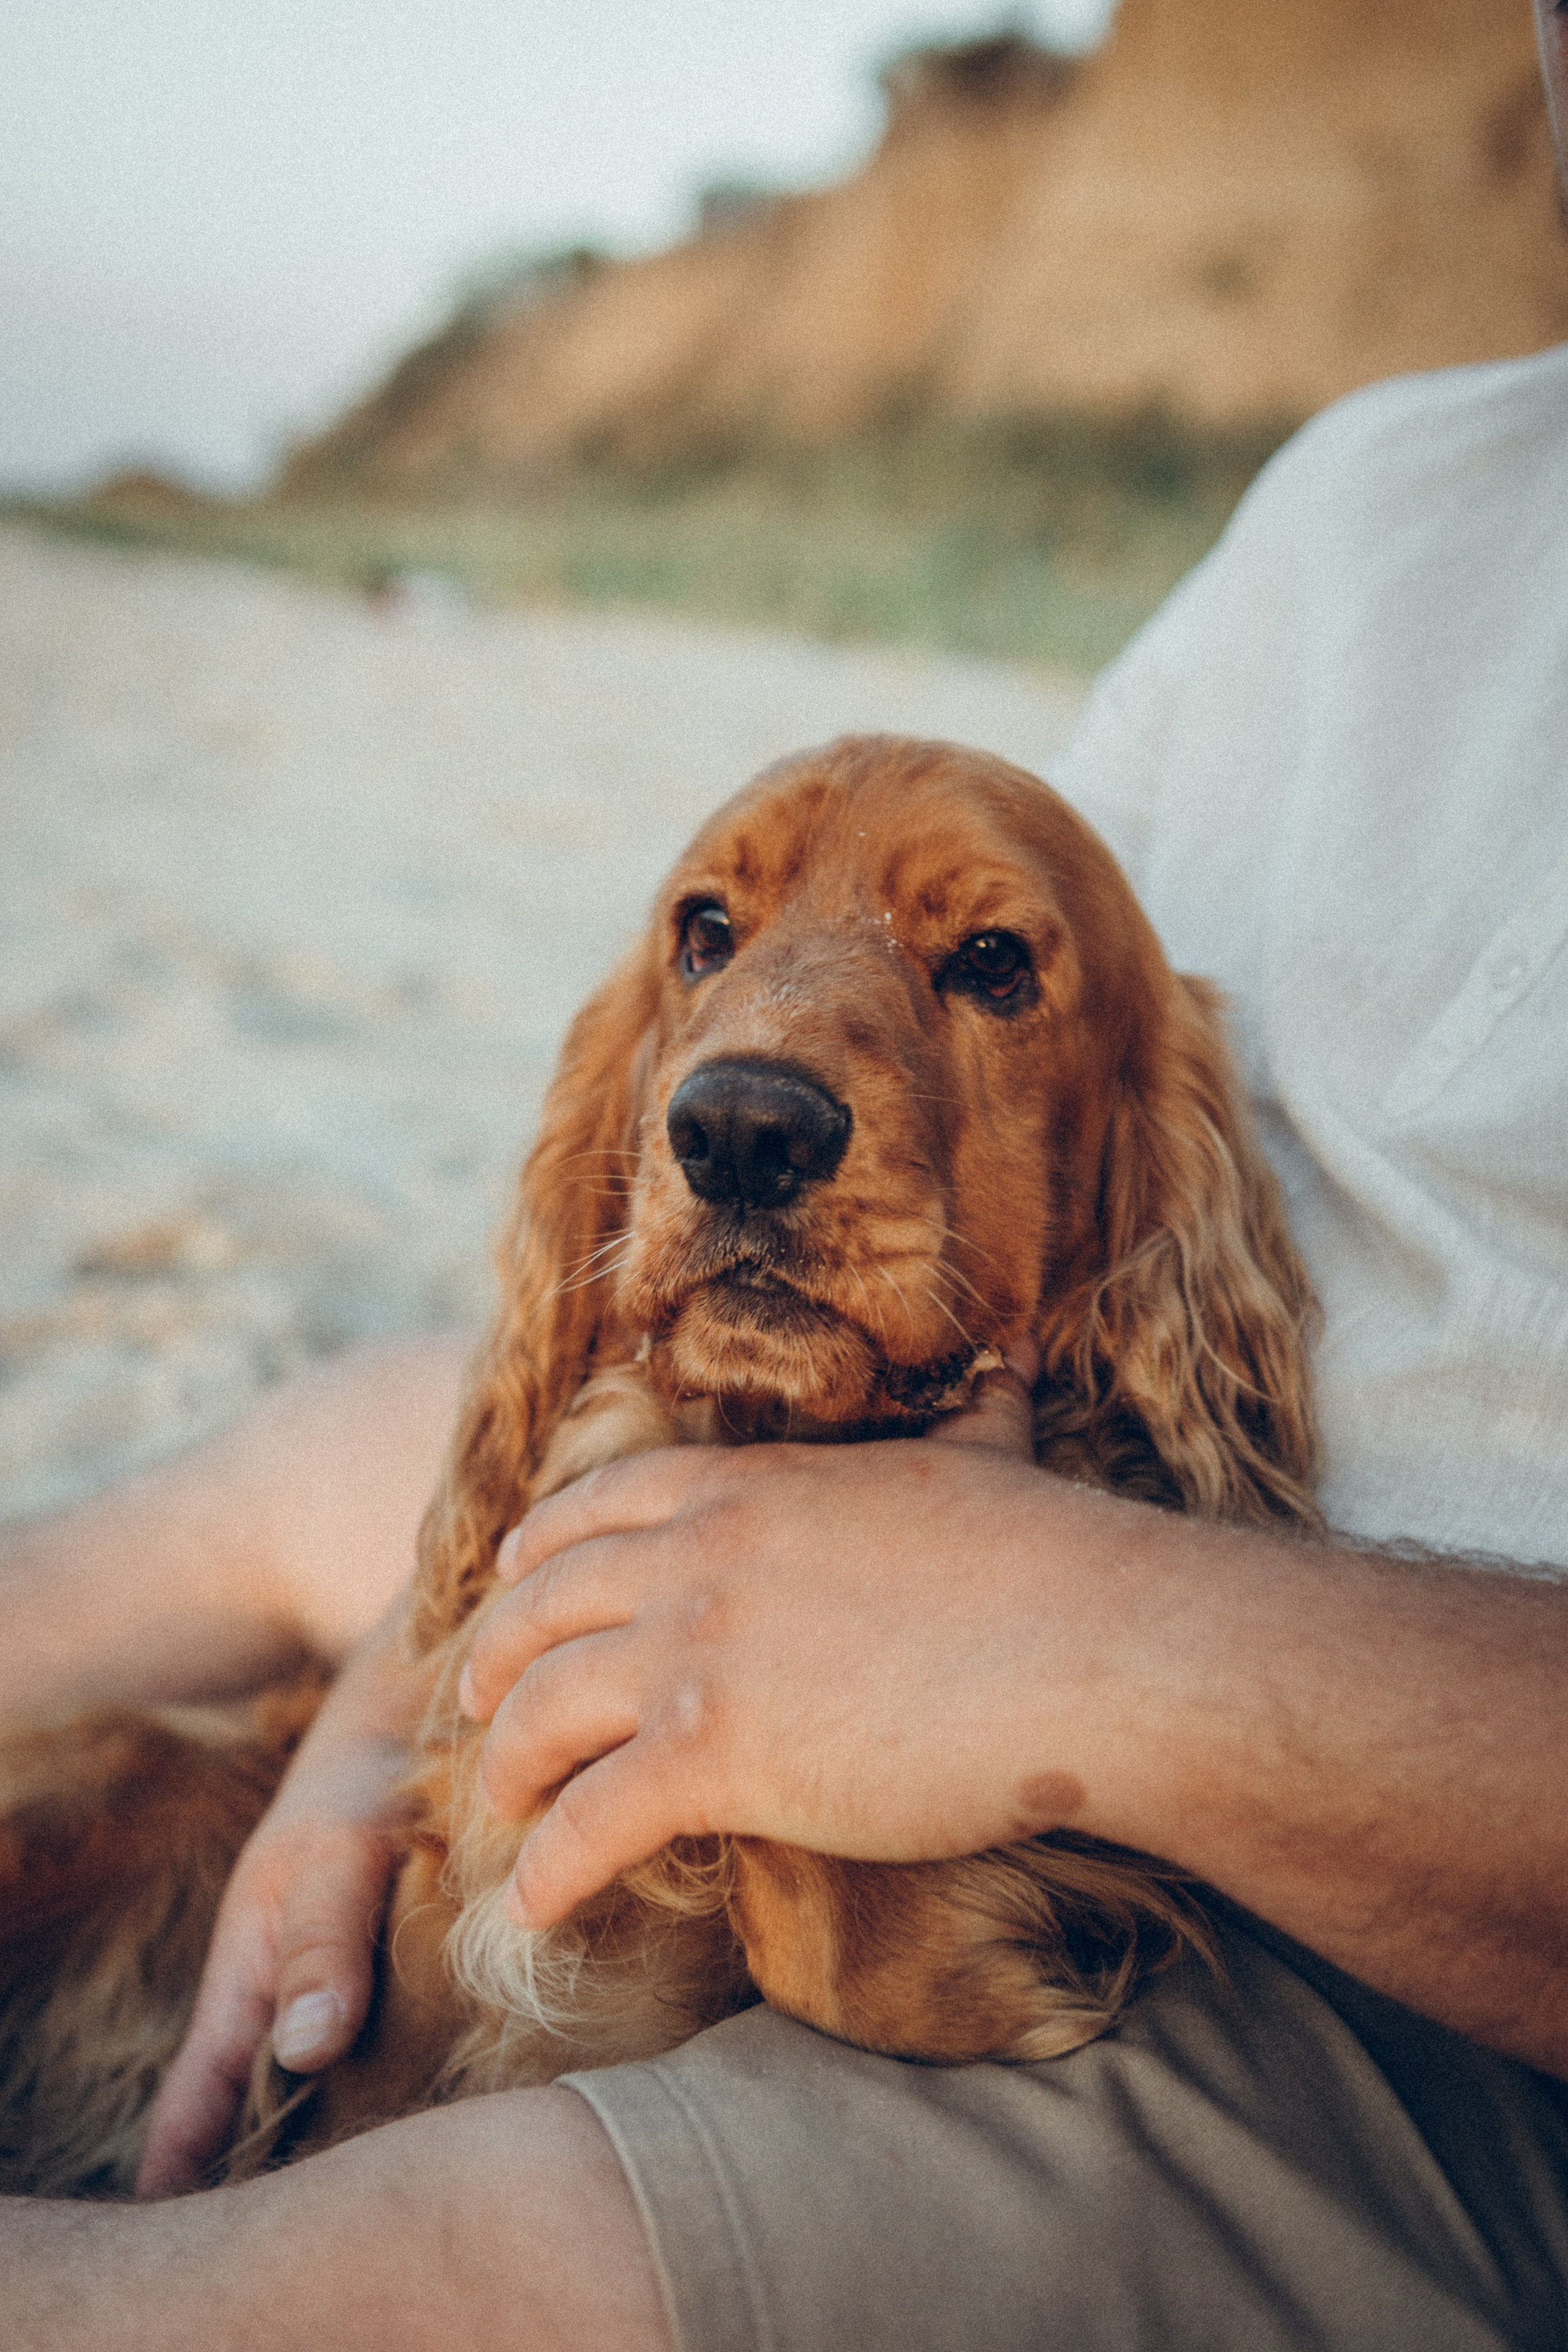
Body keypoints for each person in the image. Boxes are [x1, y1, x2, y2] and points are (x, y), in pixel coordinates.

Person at [4, 9, 1567, 2342]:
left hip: (1349, 1860)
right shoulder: (1381, 490)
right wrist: (368, 1739)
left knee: (392, 2272)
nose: (749, 1081)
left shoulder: (1169, 1172)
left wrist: (1061, 1629)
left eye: (969, 978)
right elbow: (975, 872)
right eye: (710, 948)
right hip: (869, 1460)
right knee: (277, 1481)